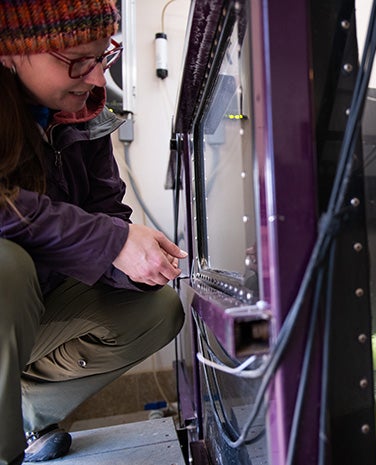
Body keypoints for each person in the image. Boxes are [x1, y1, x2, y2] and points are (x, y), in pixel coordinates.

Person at [0, 1, 186, 463]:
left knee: (156, 309)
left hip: (36, 306)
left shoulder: (82, 111)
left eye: (103, 56)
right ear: (11, 52)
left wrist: (135, 261)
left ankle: (22, 416)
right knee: (7, 266)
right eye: (78, 62)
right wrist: (109, 242)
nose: (98, 78)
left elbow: (104, 213)